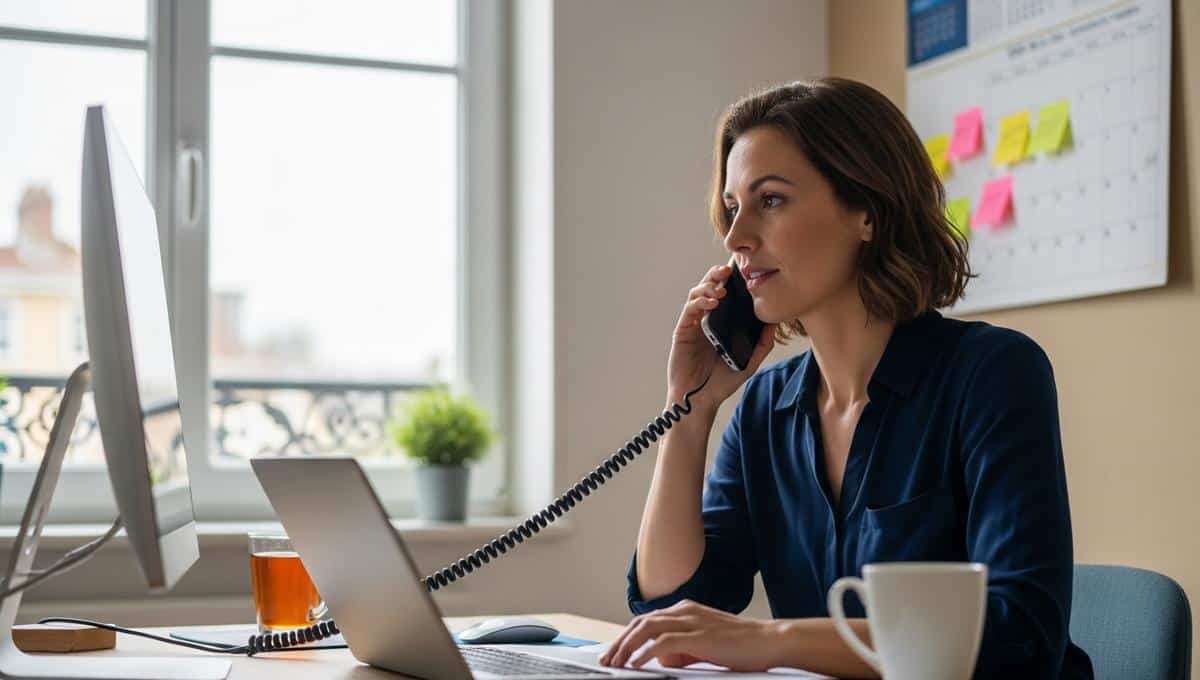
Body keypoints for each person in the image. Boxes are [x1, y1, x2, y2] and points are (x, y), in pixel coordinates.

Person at [597, 78, 1094, 679]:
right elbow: (672, 609)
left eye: (771, 200)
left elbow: (1021, 633)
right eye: (732, 208)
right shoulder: (764, 407)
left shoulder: (992, 374)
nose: (736, 238)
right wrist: (689, 410)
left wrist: (775, 639)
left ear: (867, 211)